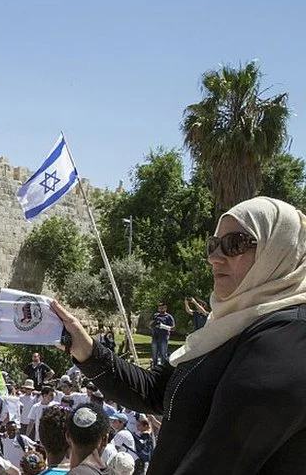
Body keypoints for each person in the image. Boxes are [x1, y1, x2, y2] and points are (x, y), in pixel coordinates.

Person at [53, 196, 306, 473]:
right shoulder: (227, 326)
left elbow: (217, 462)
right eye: (213, 245)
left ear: (279, 251)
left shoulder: (288, 340)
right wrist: (84, 348)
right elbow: (153, 391)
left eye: (234, 244)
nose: (213, 257)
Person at [149, 302, 175, 366]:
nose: (161, 310)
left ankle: (163, 368)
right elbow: (150, 325)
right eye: (160, 308)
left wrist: (163, 326)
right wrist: (152, 324)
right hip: (155, 337)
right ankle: (154, 367)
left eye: (162, 308)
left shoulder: (169, 317)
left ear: (165, 308)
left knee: (163, 354)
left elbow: (173, 328)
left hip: (164, 337)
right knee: (154, 354)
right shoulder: (155, 316)